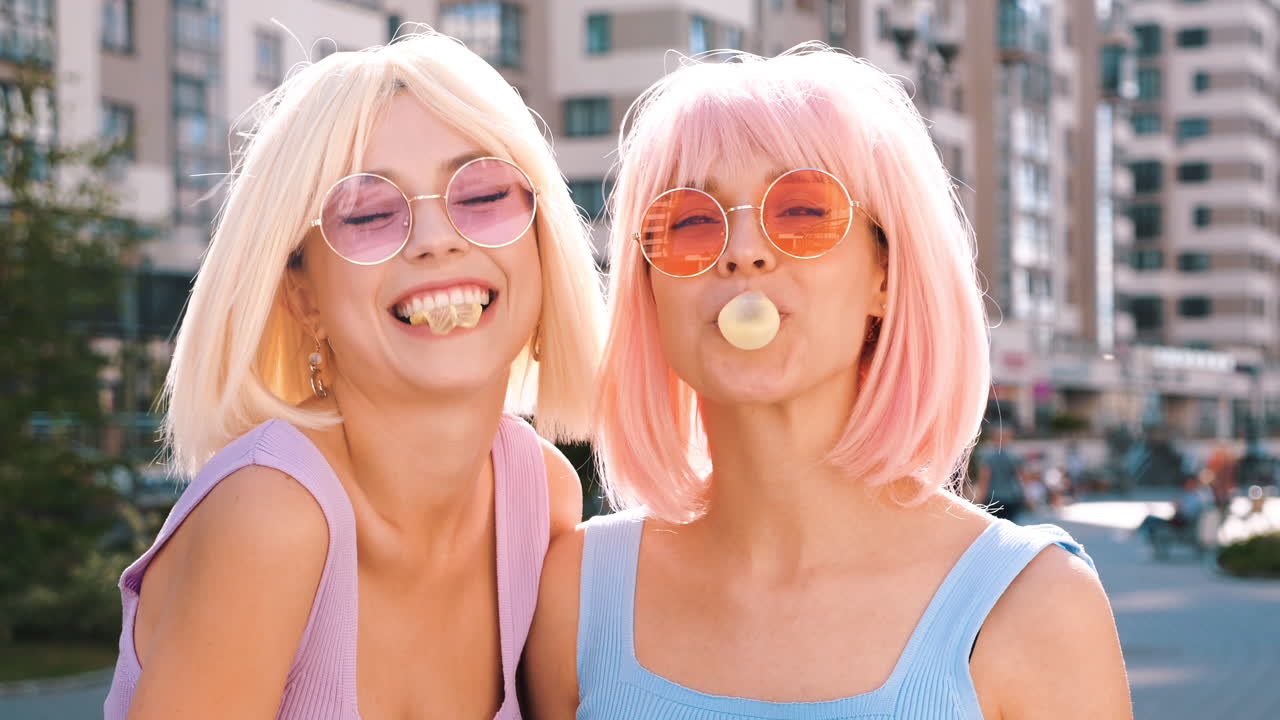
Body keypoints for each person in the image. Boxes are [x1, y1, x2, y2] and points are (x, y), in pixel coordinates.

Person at [524, 47, 1132, 719]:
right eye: (692, 222)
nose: (743, 251)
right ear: (648, 287)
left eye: (803, 211)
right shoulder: (577, 592)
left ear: (884, 274)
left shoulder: (1034, 604)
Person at [104, 30, 604, 719]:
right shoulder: (270, 518)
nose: (436, 239)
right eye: (369, 212)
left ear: (544, 245)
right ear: (302, 297)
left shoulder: (541, 495)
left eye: (483, 194)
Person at [973, 424, 1028, 522]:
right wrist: (1025, 496)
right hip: (1012, 497)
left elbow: (984, 480)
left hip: (992, 499)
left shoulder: (987, 456)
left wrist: (979, 500)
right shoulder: (1014, 456)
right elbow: (1021, 478)